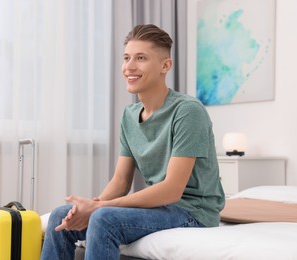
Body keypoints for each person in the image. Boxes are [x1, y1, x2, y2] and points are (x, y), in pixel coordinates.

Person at [40, 24, 225, 260]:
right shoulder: (130, 115)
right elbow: (120, 181)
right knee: (60, 215)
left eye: (141, 58)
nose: (129, 66)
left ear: (165, 65)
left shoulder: (188, 111)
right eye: (126, 58)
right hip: (161, 207)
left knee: (104, 218)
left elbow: (172, 189)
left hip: (192, 212)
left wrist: (99, 209)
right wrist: (90, 204)